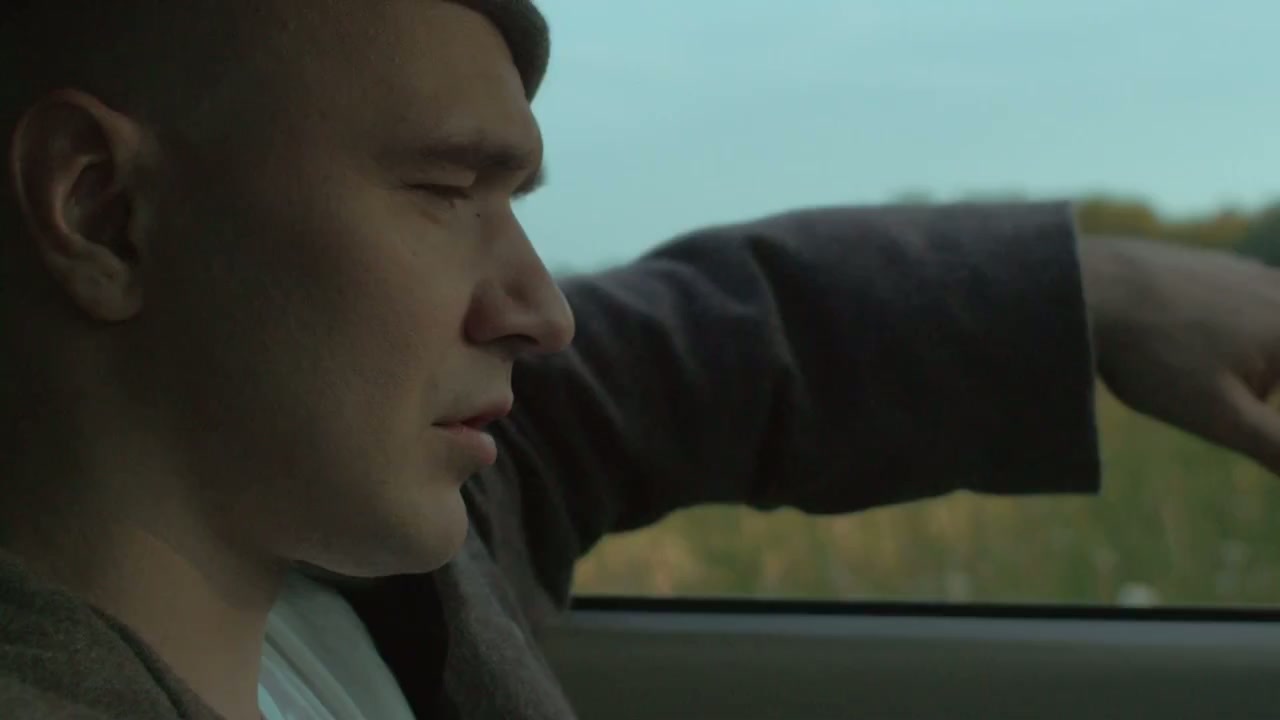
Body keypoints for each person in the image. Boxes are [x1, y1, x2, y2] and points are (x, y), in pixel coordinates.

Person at [1, 1, 1278, 719]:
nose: (540, 312)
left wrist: (1108, 297)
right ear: (101, 208)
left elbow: (706, 352)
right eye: (445, 190)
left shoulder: (367, 566)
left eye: (516, 203)